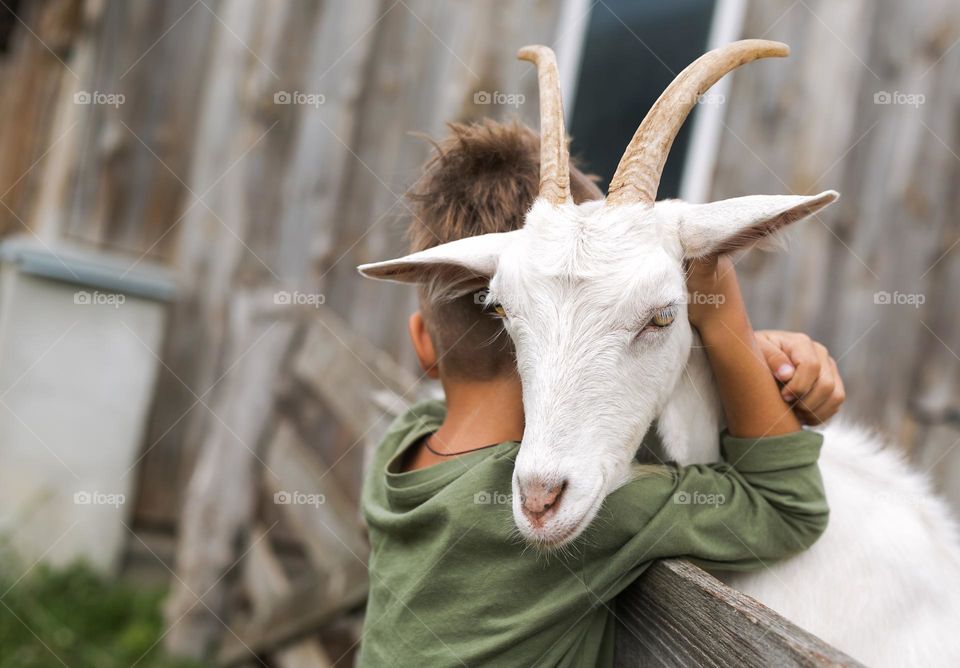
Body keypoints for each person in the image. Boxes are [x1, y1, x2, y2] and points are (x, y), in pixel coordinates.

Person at [358, 120, 843, 667]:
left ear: (423, 342)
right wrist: (725, 320)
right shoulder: (597, 511)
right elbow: (787, 506)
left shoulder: (402, 444)